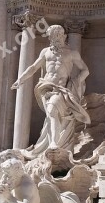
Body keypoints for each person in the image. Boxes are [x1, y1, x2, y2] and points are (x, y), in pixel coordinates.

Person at [12, 25, 90, 159]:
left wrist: (75, 82)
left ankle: (54, 143)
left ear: (61, 36)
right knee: (50, 115)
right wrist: (21, 79)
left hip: (61, 89)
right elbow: (33, 67)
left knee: (52, 111)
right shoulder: (45, 52)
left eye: (53, 37)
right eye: (50, 37)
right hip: (45, 87)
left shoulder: (72, 53)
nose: (51, 39)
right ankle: (49, 144)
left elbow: (85, 70)